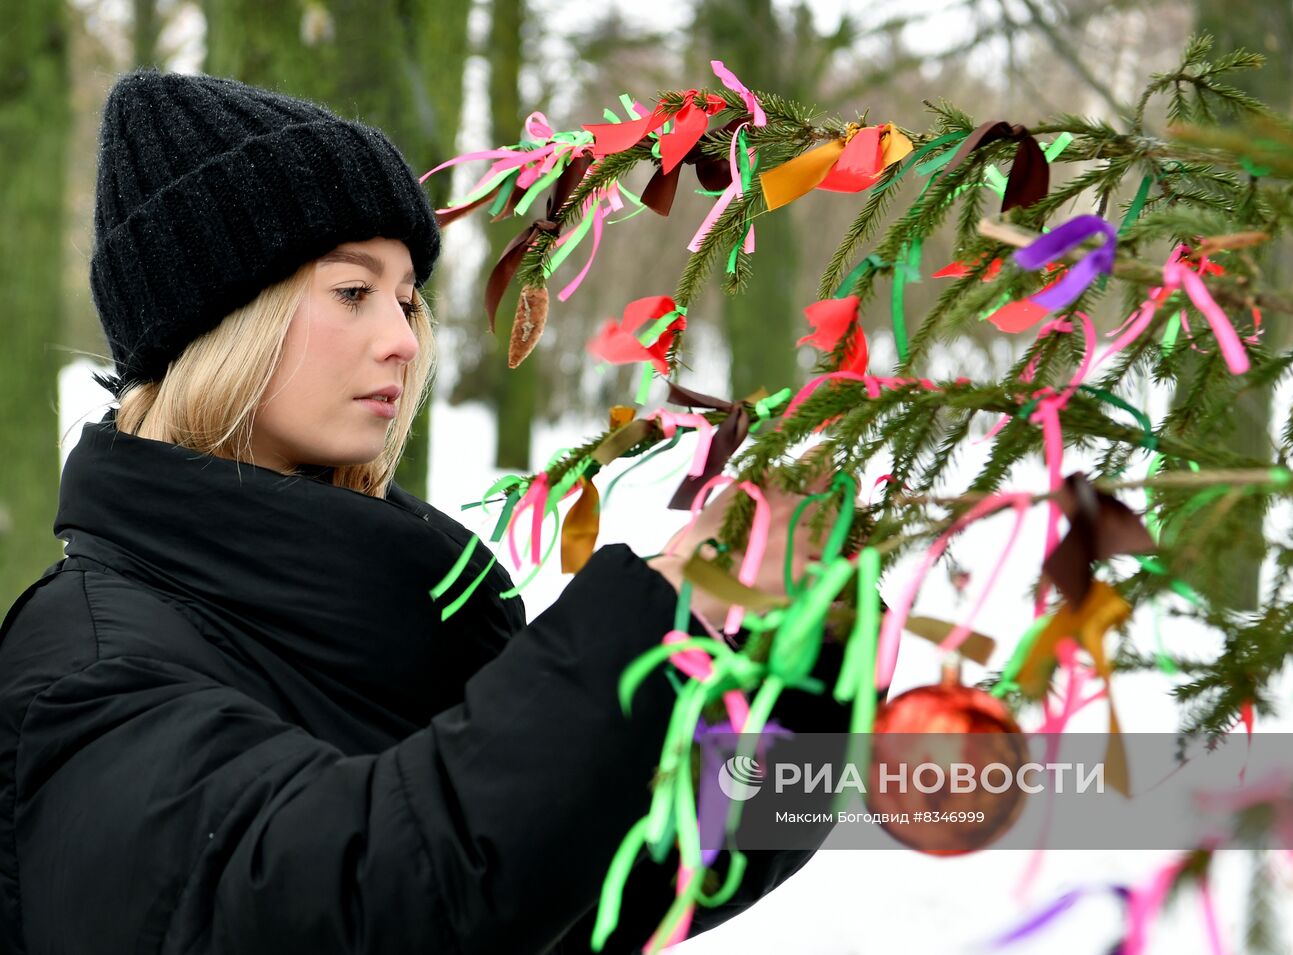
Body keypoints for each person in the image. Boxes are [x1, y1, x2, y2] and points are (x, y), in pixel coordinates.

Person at [0, 71, 852, 954]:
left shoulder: (394, 619)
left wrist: (790, 659)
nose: (405, 338)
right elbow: (350, 899)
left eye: (408, 297)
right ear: (222, 322)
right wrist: (650, 621)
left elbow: (631, 872)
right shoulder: (91, 669)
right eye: (352, 291)